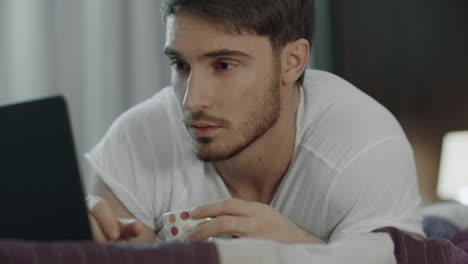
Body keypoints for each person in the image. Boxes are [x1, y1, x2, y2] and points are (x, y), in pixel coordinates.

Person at [87, 0, 424, 262]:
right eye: (180, 65)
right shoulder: (139, 138)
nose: (191, 101)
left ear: (292, 61)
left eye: (224, 65)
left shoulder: (365, 149)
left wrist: (301, 254)